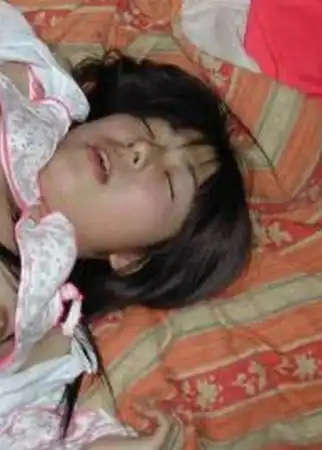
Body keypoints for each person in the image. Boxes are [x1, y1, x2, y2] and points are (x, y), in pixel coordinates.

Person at [0, 2, 251, 449]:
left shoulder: (44, 338)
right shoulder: (25, 76)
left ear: (133, 258)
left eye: (169, 181)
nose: (140, 149)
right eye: (149, 130)